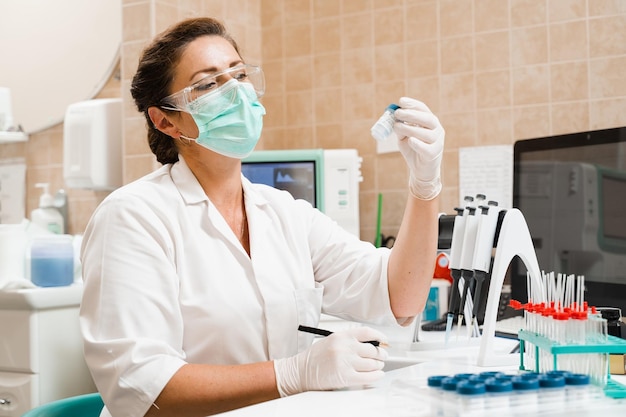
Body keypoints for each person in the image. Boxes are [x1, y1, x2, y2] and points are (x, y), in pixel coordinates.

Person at [79, 16, 445, 417]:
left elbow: (401, 295)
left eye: (239, 75)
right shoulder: (134, 217)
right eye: (207, 84)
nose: (235, 92)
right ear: (166, 120)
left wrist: (424, 187)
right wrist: (293, 373)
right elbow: (143, 388)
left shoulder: (283, 212)